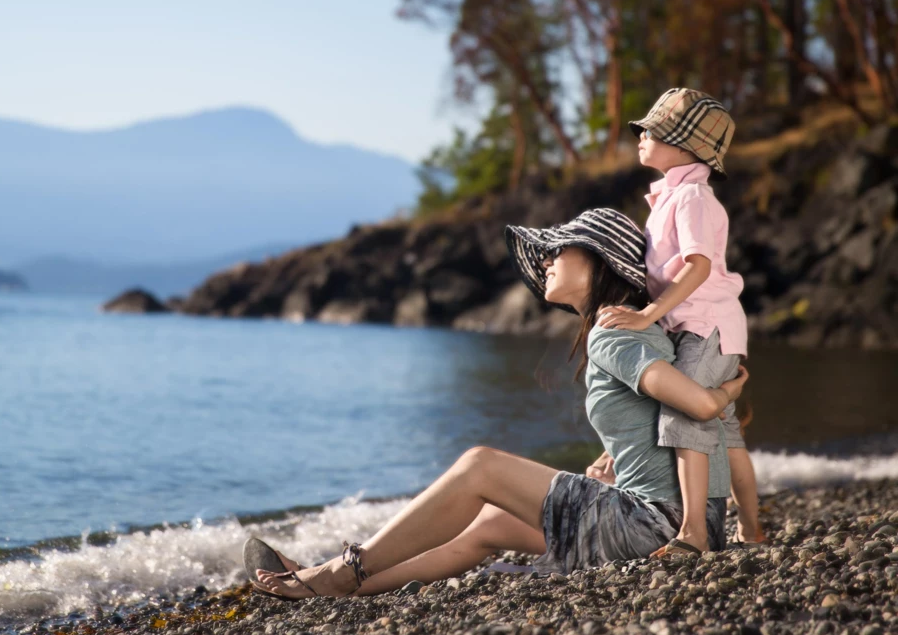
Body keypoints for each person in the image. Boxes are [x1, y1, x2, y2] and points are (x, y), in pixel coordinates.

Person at [246, 208, 748, 599]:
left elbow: (696, 405)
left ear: (599, 262)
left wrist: (723, 395)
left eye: (558, 250)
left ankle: (341, 570)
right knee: (486, 526)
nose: (547, 259)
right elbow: (665, 419)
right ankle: (335, 588)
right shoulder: (629, 330)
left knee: (479, 466)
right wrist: (621, 458)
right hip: (676, 520)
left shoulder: (616, 334)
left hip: (652, 527)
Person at [596, 88, 764, 557]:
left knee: (687, 416)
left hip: (705, 326)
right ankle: (751, 531)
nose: (641, 136)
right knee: (726, 435)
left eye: (651, 130)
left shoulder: (691, 197)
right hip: (711, 326)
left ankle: (692, 532)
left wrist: (649, 314)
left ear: (685, 146)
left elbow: (699, 265)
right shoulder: (673, 196)